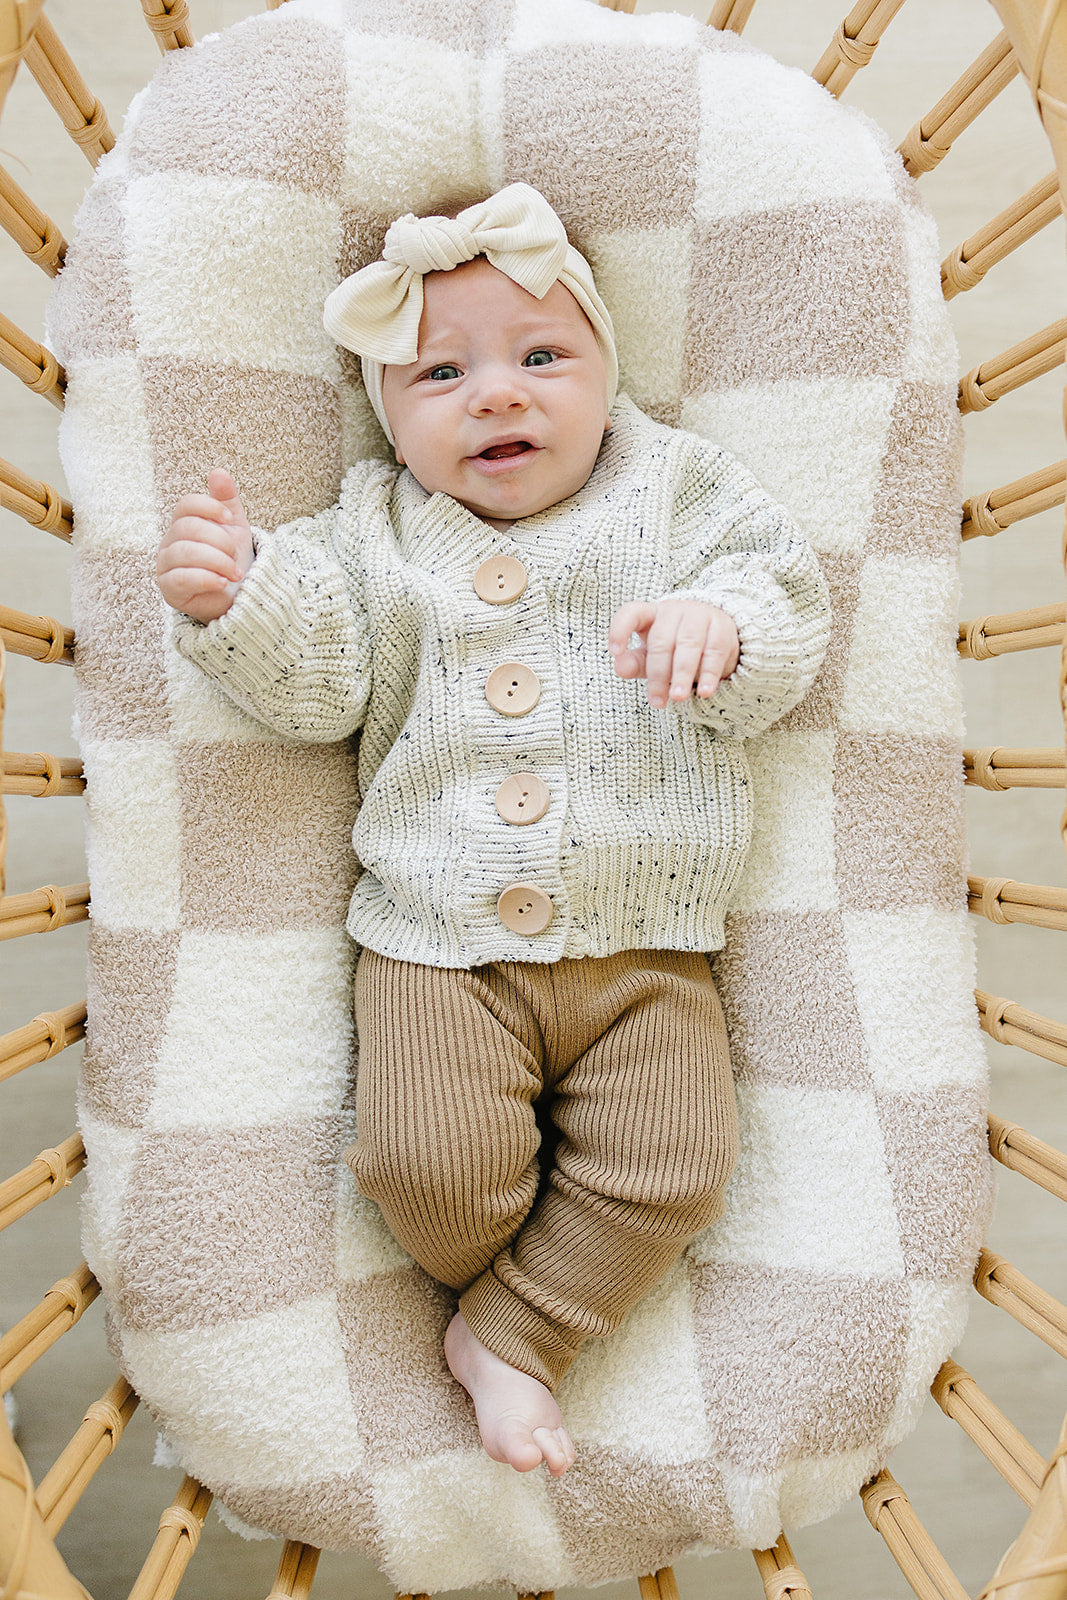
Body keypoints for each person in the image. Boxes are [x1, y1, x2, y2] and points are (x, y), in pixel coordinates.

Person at [155, 183, 830, 1481]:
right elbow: (323, 687)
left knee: (677, 1170)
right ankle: (508, 1283)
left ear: (609, 374)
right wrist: (240, 594)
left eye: (542, 357)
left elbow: (780, 591)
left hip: (646, 943)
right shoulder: (369, 528)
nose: (497, 395)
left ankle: (514, 1331)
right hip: (437, 944)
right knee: (425, 1171)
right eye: (440, 374)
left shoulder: (676, 486)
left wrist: (726, 628)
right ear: (386, 413)